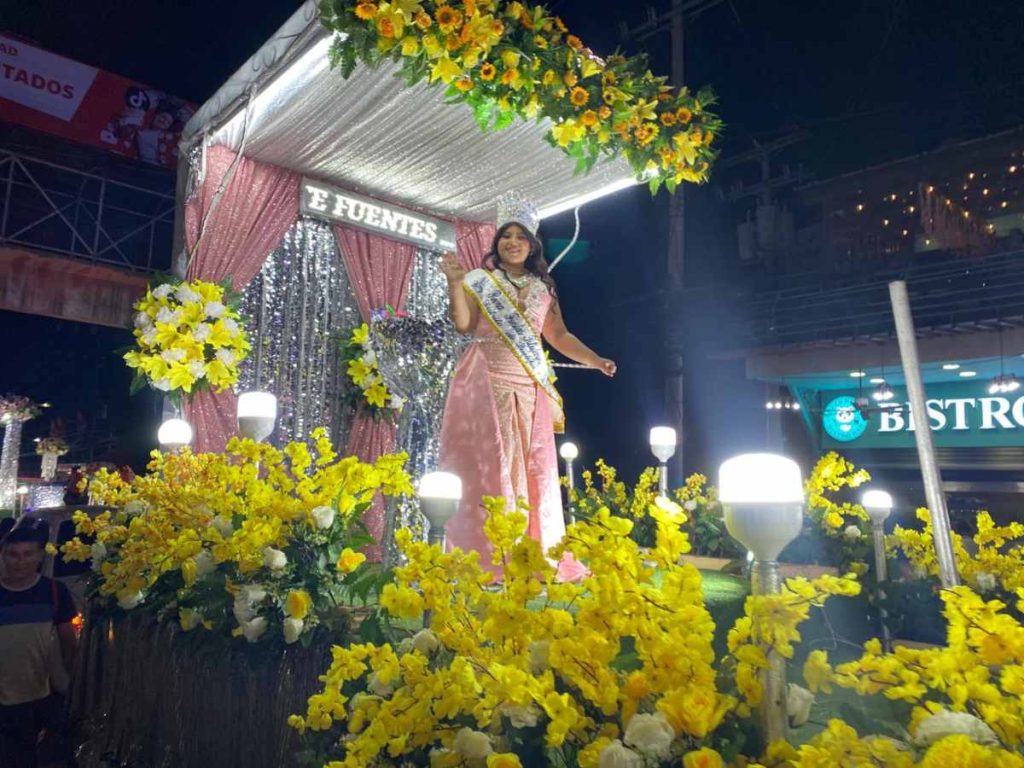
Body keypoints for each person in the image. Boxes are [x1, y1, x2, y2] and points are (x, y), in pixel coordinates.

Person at [438, 198, 616, 578]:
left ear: (533, 244)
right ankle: (483, 552)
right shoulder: (479, 281)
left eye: (520, 236)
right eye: (506, 236)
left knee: (530, 469)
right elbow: (464, 324)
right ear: (496, 242)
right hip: (484, 380)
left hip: (529, 387)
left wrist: (596, 359)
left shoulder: (543, 289)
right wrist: (456, 283)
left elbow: (559, 336)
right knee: (485, 466)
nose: (512, 242)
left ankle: (528, 552)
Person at [0, 518, 78, 768]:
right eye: (13, 555)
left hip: (40, 698)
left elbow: (69, 643)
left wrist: (72, 684)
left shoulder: (54, 593)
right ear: (3, 555)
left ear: (39, 557)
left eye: (27, 554)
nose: (20, 562)